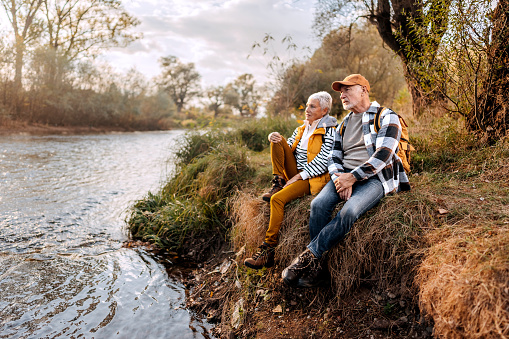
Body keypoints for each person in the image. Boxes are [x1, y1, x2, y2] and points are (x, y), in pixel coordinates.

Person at [281, 74, 411, 287]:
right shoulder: (344, 123)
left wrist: (353, 178)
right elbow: (334, 156)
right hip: (344, 176)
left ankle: (307, 257)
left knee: (349, 211)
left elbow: (384, 155)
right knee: (318, 204)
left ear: (364, 90)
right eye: (340, 91)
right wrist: (340, 178)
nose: (342, 94)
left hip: (374, 178)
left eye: (347, 89)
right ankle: (318, 270)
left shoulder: (386, 116)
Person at [244, 91, 338, 270]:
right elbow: (286, 149)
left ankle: (268, 250)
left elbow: (324, 162)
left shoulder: (330, 132)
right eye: (307, 105)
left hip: (310, 177)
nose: (307, 110)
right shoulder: (301, 129)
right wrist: (273, 137)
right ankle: (278, 181)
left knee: (276, 200)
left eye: (312, 106)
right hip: (293, 171)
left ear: (324, 110)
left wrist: (297, 177)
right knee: (277, 139)